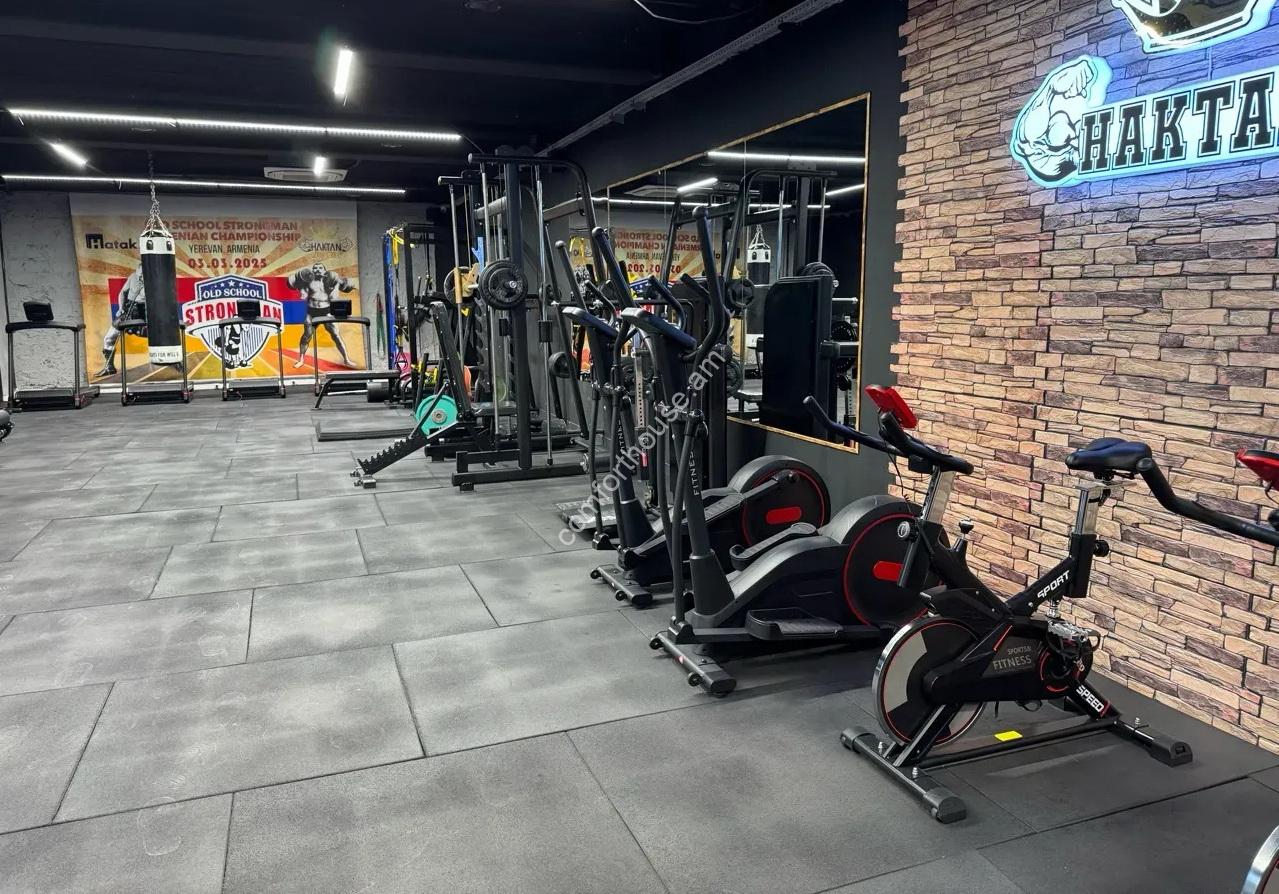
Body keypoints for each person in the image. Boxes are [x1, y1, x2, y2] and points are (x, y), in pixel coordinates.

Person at [288, 262, 355, 368]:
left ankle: (346, 360)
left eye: (320, 268)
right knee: (306, 336)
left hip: (326, 311)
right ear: (312, 271)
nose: (318, 269)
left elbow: (334, 297)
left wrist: (337, 284)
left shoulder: (331, 281)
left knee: (336, 336)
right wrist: (301, 289)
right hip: (312, 312)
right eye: (315, 268)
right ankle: (301, 360)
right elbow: (302, 295)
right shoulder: (307, 282)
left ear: (325, 270)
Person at [96, 265, 146, 378]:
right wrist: (121, 308)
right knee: (109, 338)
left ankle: (177, 362)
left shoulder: (153, 281)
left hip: (145, 314)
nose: (140, 277)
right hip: (129, 311)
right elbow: (122, 293)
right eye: (139, 274)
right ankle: (109, 367)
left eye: (143, 275)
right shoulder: (133, 277)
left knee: (160, 338)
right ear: (137, 271)